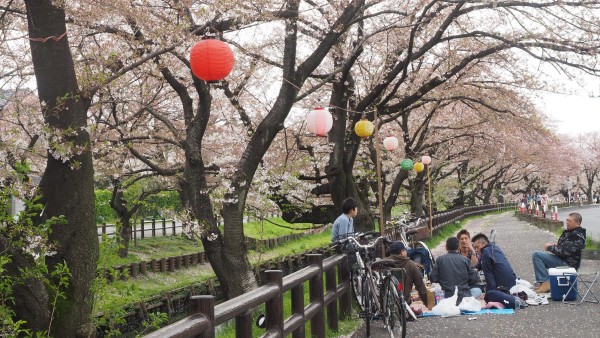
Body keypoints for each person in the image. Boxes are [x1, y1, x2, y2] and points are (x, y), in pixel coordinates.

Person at [531, 212, 586, 293]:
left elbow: (564, 252)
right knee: (538, 255)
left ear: (577, 222)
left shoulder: (577, 235)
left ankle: (545, 283)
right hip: (563, 260)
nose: (567, 222)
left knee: (537, 255)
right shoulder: (570, 232)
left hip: (568, 265)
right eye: (567, 220)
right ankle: (544, 283)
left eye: (569, 221)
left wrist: (549, 247)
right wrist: (555, 245)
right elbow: (564, 246)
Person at [430, 237, 481, 303]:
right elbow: (474, 279)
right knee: (477, 290)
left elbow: (433, 277)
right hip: (463, 296)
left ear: (446, 247)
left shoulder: (440, 259)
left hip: (446, 296)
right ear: (459, 247)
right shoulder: (465, 260)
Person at [387, 241, 428, 307]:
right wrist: (427, 304)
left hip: (386, 304)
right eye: (405, 250)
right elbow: (421, 287)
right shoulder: (410, 264)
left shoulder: (383, 263)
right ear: (402, 251)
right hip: (404, 303)